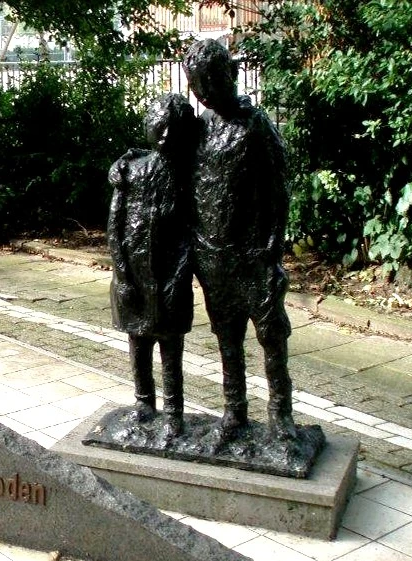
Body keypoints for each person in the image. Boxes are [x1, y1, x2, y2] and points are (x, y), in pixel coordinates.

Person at [183, 39, 297, 444]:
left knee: (270, 335)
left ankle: (280, 413)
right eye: (198, 87)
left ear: (229, 75)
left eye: (211, 83)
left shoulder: (255, 124)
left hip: (254, 253)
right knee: (227, 337)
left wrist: (272, 245)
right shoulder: (201, 128)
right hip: (213, 254)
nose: (205, 93)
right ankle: (234, 411)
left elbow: (279, 188)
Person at [107, 93, 197, 440]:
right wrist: (122, 274)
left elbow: (192, 230)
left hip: (171, 276)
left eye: (172, 133)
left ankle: (174, 410)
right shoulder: (131, 171)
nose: (164, 140)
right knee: (139, 343)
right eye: (159, 131)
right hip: (133, 275)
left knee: (171, 346)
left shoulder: (188, 174)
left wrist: (179, 274)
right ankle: (144, 403)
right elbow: (115, 227)